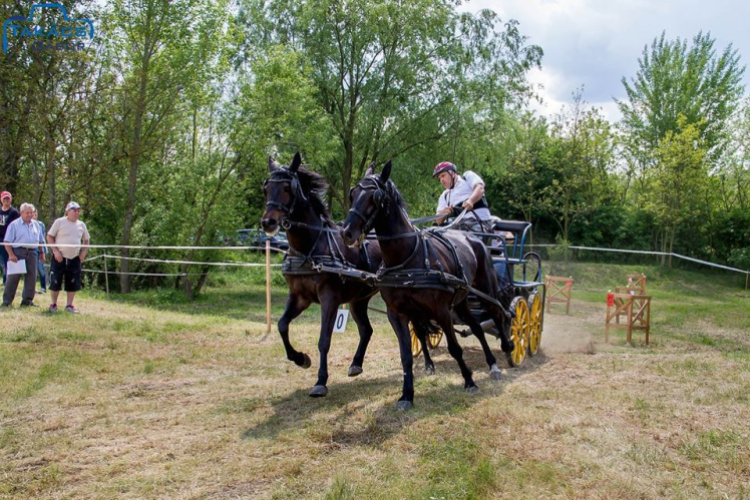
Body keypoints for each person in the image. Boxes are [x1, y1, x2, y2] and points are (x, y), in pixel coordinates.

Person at [47, 201, 89, 313]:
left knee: (73, 282)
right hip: (59, 257)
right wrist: (55, 251)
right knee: (55, 281)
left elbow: (86, 240)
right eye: (74, 210)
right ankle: (53, 304)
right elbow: (50, 237)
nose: (76, 213)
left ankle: (69, 305)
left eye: (78, 210)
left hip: (74, 258)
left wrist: (83, 253)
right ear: (67, 211)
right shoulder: (59, 222)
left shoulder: (81, 225)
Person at [2, 203, 45, 307]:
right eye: (27, 213)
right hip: (17, 252)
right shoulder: (14, 224)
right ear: (21, 213)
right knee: (13, 278)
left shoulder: (36, 225)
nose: (30, 215)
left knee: (31, 277)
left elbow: (40, 241)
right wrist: (11, 255)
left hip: (32, 253)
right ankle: (7, 302)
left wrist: (42, 253)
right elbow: (7, 241)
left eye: (31, 212)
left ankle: (27, 301)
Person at [432, 162, 492, 231]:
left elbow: (480, 188)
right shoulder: (444, 196)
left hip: (479, 223)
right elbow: (438, 221)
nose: (441, 180)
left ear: (452, 173)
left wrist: (471, 201)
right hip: (457, 227)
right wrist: (443, 213)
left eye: (443, 176)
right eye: (439, 178)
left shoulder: (467, 177)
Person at [0, 191, 21, 285]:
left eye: (8, 199)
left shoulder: (14, 212)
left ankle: (7, 282)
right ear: (1, 200)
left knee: (6, 262)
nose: (6, 201)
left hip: (8, 241)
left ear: (11, 199)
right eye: (4, 199)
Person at [33, 208, 48, 293]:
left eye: (35, 214)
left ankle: (43, 287)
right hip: (32, 250)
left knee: (41, 269)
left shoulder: (40, 224)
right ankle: (32, 288)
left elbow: (41, 237)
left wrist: (43, 251)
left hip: (40, 249)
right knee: (32, 270)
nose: (33, 215)